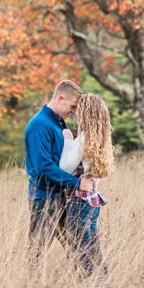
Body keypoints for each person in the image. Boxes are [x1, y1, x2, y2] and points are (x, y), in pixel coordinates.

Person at [24, 79, 95, 258]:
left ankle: (83, 285)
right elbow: (43, 168)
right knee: (37, 252)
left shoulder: (58, 123)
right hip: (44, 196)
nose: (73, 112)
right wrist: (77, 182)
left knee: (78, 248)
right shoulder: (40, 125)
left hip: (62, 195)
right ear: (60, 98)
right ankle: (30, 286)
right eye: (72, 107)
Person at [60, 92, 115, 276]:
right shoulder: (100, 138)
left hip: (79, 203)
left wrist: (67, 141)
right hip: (92, 202)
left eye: (78, 110)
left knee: (81, 253)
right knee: (94, 252)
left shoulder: (82, 138)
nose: (75, 113)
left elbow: (65, 168)